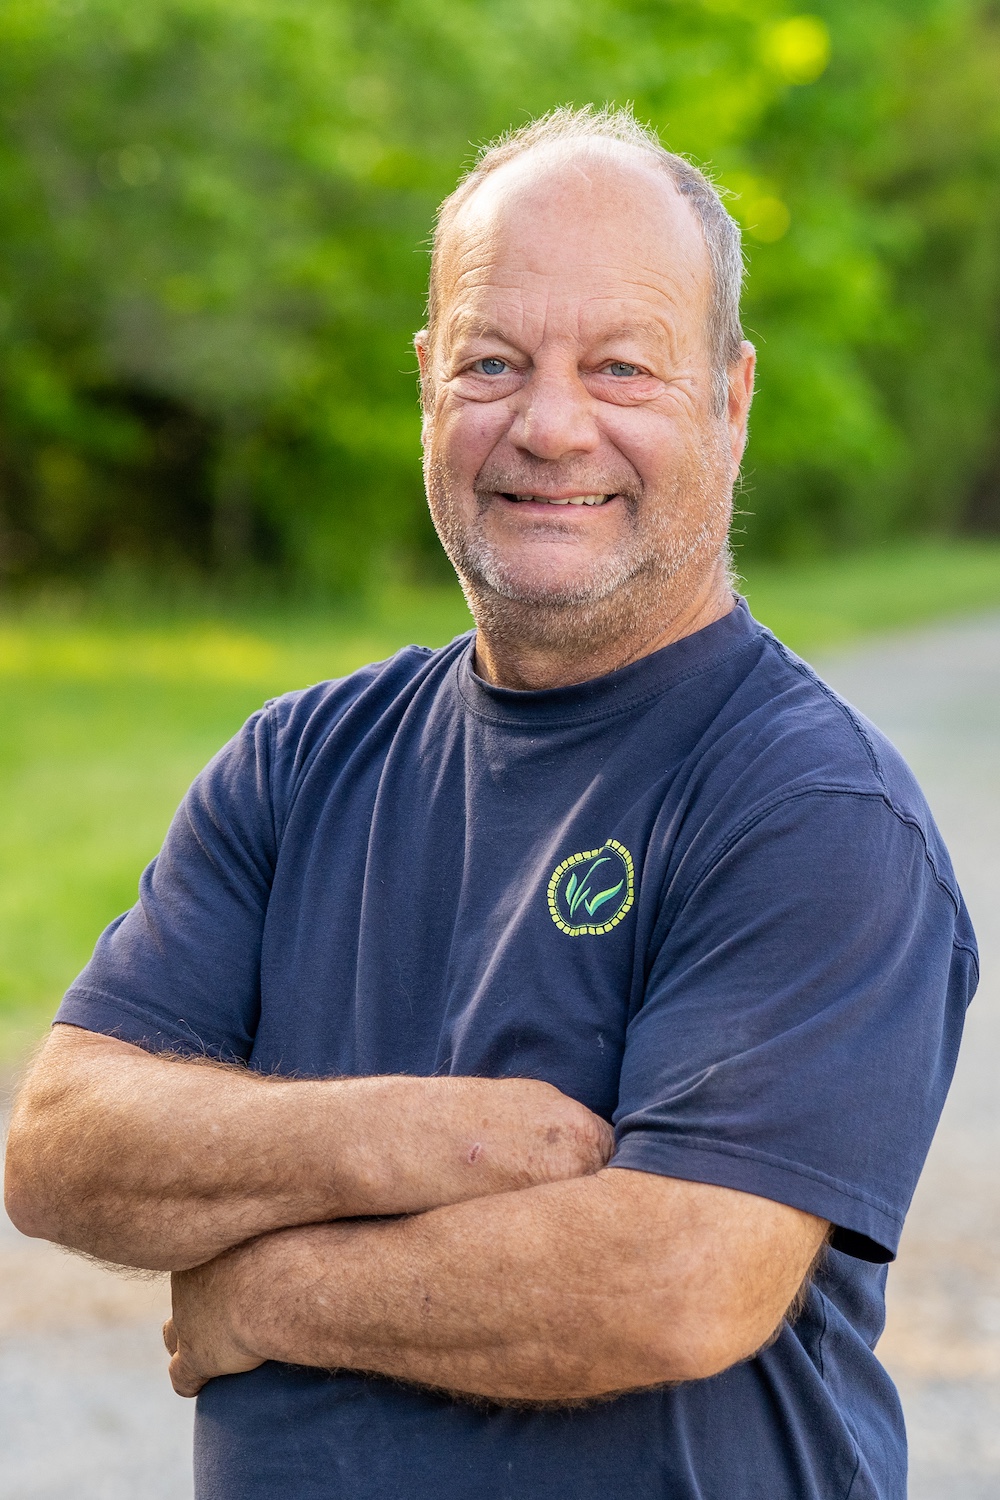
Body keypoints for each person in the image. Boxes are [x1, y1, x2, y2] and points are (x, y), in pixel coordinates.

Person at [4, 106, 978, 1500]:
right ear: (427, 386)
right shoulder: (299, 763)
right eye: (494, 362)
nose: (550, 424)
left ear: (731, 398)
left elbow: (672, 1283)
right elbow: (59, 1147)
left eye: (622, 368)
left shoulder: (811, 807)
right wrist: (431, 1138)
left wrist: (267, 1295)